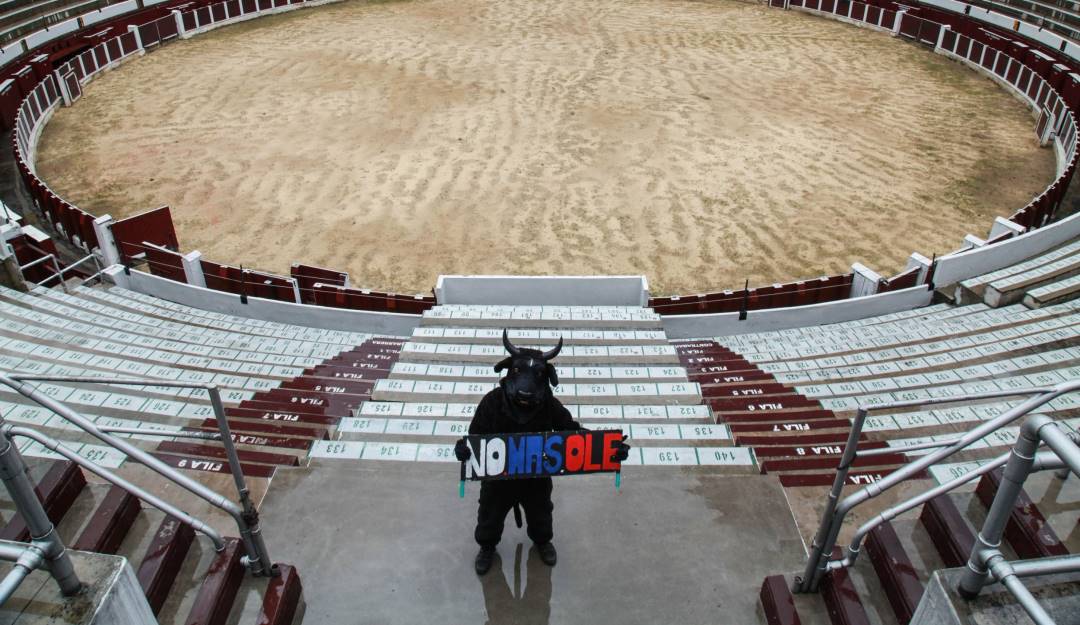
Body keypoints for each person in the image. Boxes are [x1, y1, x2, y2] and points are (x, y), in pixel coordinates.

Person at [455, 330, 630, 575]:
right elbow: (475, 435)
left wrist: (609, 448)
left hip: (536, 476)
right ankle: (487, 547)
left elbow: (572, 432)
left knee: (541, 513)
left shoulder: (550, 405)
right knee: (489, 513)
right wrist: (463, 448)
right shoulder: (492, 402)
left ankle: (542, 541)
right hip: (497, 478)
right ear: (509, 372)